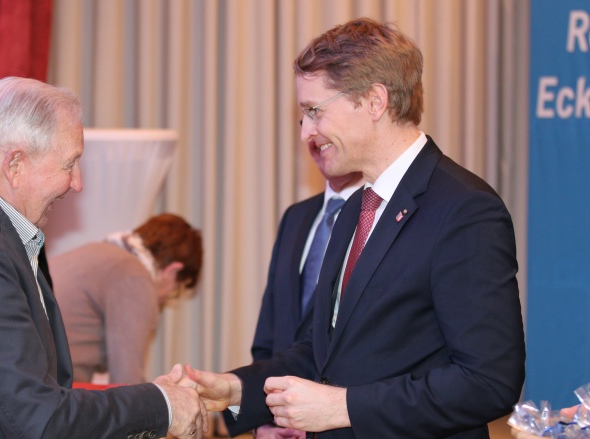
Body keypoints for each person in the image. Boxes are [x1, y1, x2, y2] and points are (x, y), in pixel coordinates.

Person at [182, 17, 525, 439]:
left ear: (375, 101)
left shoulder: (464, 210)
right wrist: (237, 390)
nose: (306, 132)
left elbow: (489, 383)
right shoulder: (354, 211)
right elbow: (321, 351)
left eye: (314, 111)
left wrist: (343, 407)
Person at [0, 77, 205, 438]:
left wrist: (155, 402)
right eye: (70, 164)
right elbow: (40, 419)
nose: (77, 183)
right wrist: (160, 404)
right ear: (15, 165)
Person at [251, 172, 363, 439]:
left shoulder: (377, 215)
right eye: (305, 126)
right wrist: (260, 422)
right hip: (279, 424)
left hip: (342, 426)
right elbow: (268, 336)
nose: (317, 149)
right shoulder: (295, 216)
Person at [52, 213, 203, 385]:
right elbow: (126, 382)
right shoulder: (135, 277)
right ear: (173, 270)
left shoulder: (96, 253)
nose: (164, 298)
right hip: (52, 388)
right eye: (175, 290)